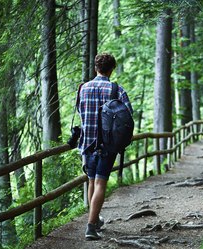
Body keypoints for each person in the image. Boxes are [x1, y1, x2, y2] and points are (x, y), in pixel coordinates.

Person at [77, 53, 133, 240]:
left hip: (87, 144)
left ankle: (94, 219)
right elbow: (128, 116)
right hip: (107, 145)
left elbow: (80, 112)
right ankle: (91, 227)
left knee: (92, 181)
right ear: (111, 69)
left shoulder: (83, 88)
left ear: (96, 68)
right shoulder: (116, 89)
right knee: (101, 183)